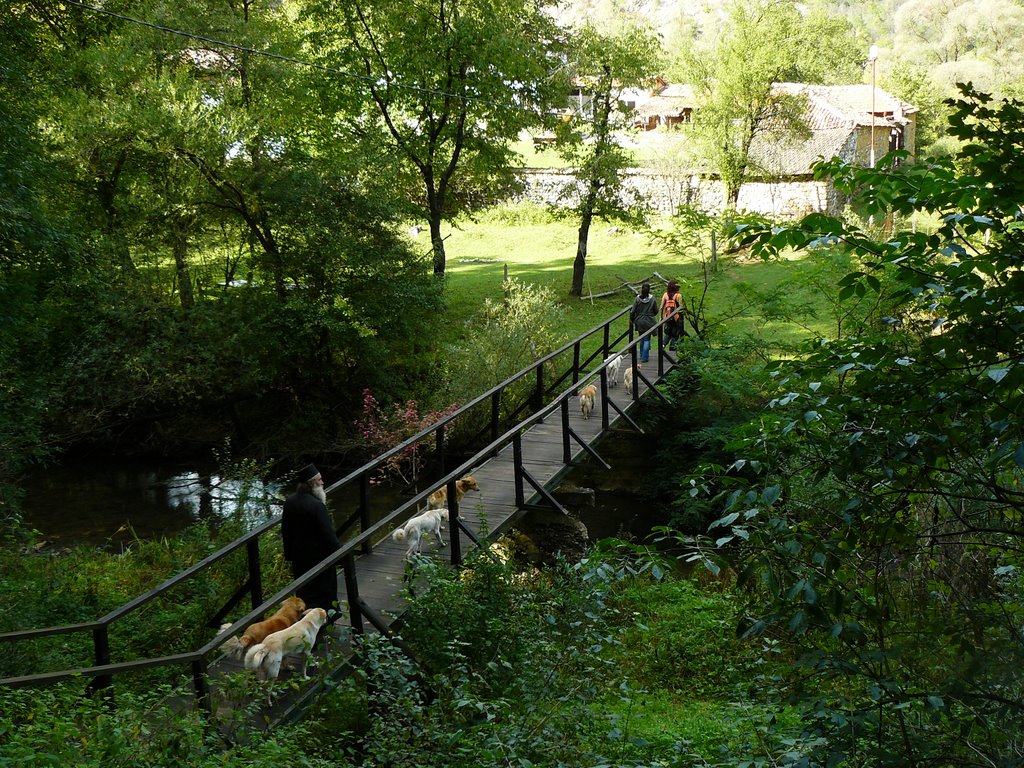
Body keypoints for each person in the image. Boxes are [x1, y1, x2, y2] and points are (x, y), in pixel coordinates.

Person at [281, 463, 341, 620]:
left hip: (300, 558)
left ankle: (305, 621)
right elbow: (328, 534)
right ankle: (326, 619)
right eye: (320, 480)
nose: (322, 483)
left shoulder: (290, 502)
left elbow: (285, 531)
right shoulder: (317, 506)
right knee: (324, 592)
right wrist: (339, 553)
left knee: (305, 593)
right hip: (320, 558)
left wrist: (289, 555)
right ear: (312, 483)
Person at [629, 281, 658, 363]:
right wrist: (651, 315)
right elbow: (656, 310)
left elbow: (633, 310)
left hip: (640, 320)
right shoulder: (652, 299)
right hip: (649, 320)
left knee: (641, 337)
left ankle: (642, 355)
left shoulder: (637, 299)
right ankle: (644, 357)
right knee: (647, 339)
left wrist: (632, 320)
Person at [660, 280, 684, 351]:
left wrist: (661, 317)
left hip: (668, 318)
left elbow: (661, 307)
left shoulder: (665, 295)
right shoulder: (678, 295)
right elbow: (681, 308)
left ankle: (663, 345)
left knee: (668, 334)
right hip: (677, 319)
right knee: (675, 335)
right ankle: (672, 351)